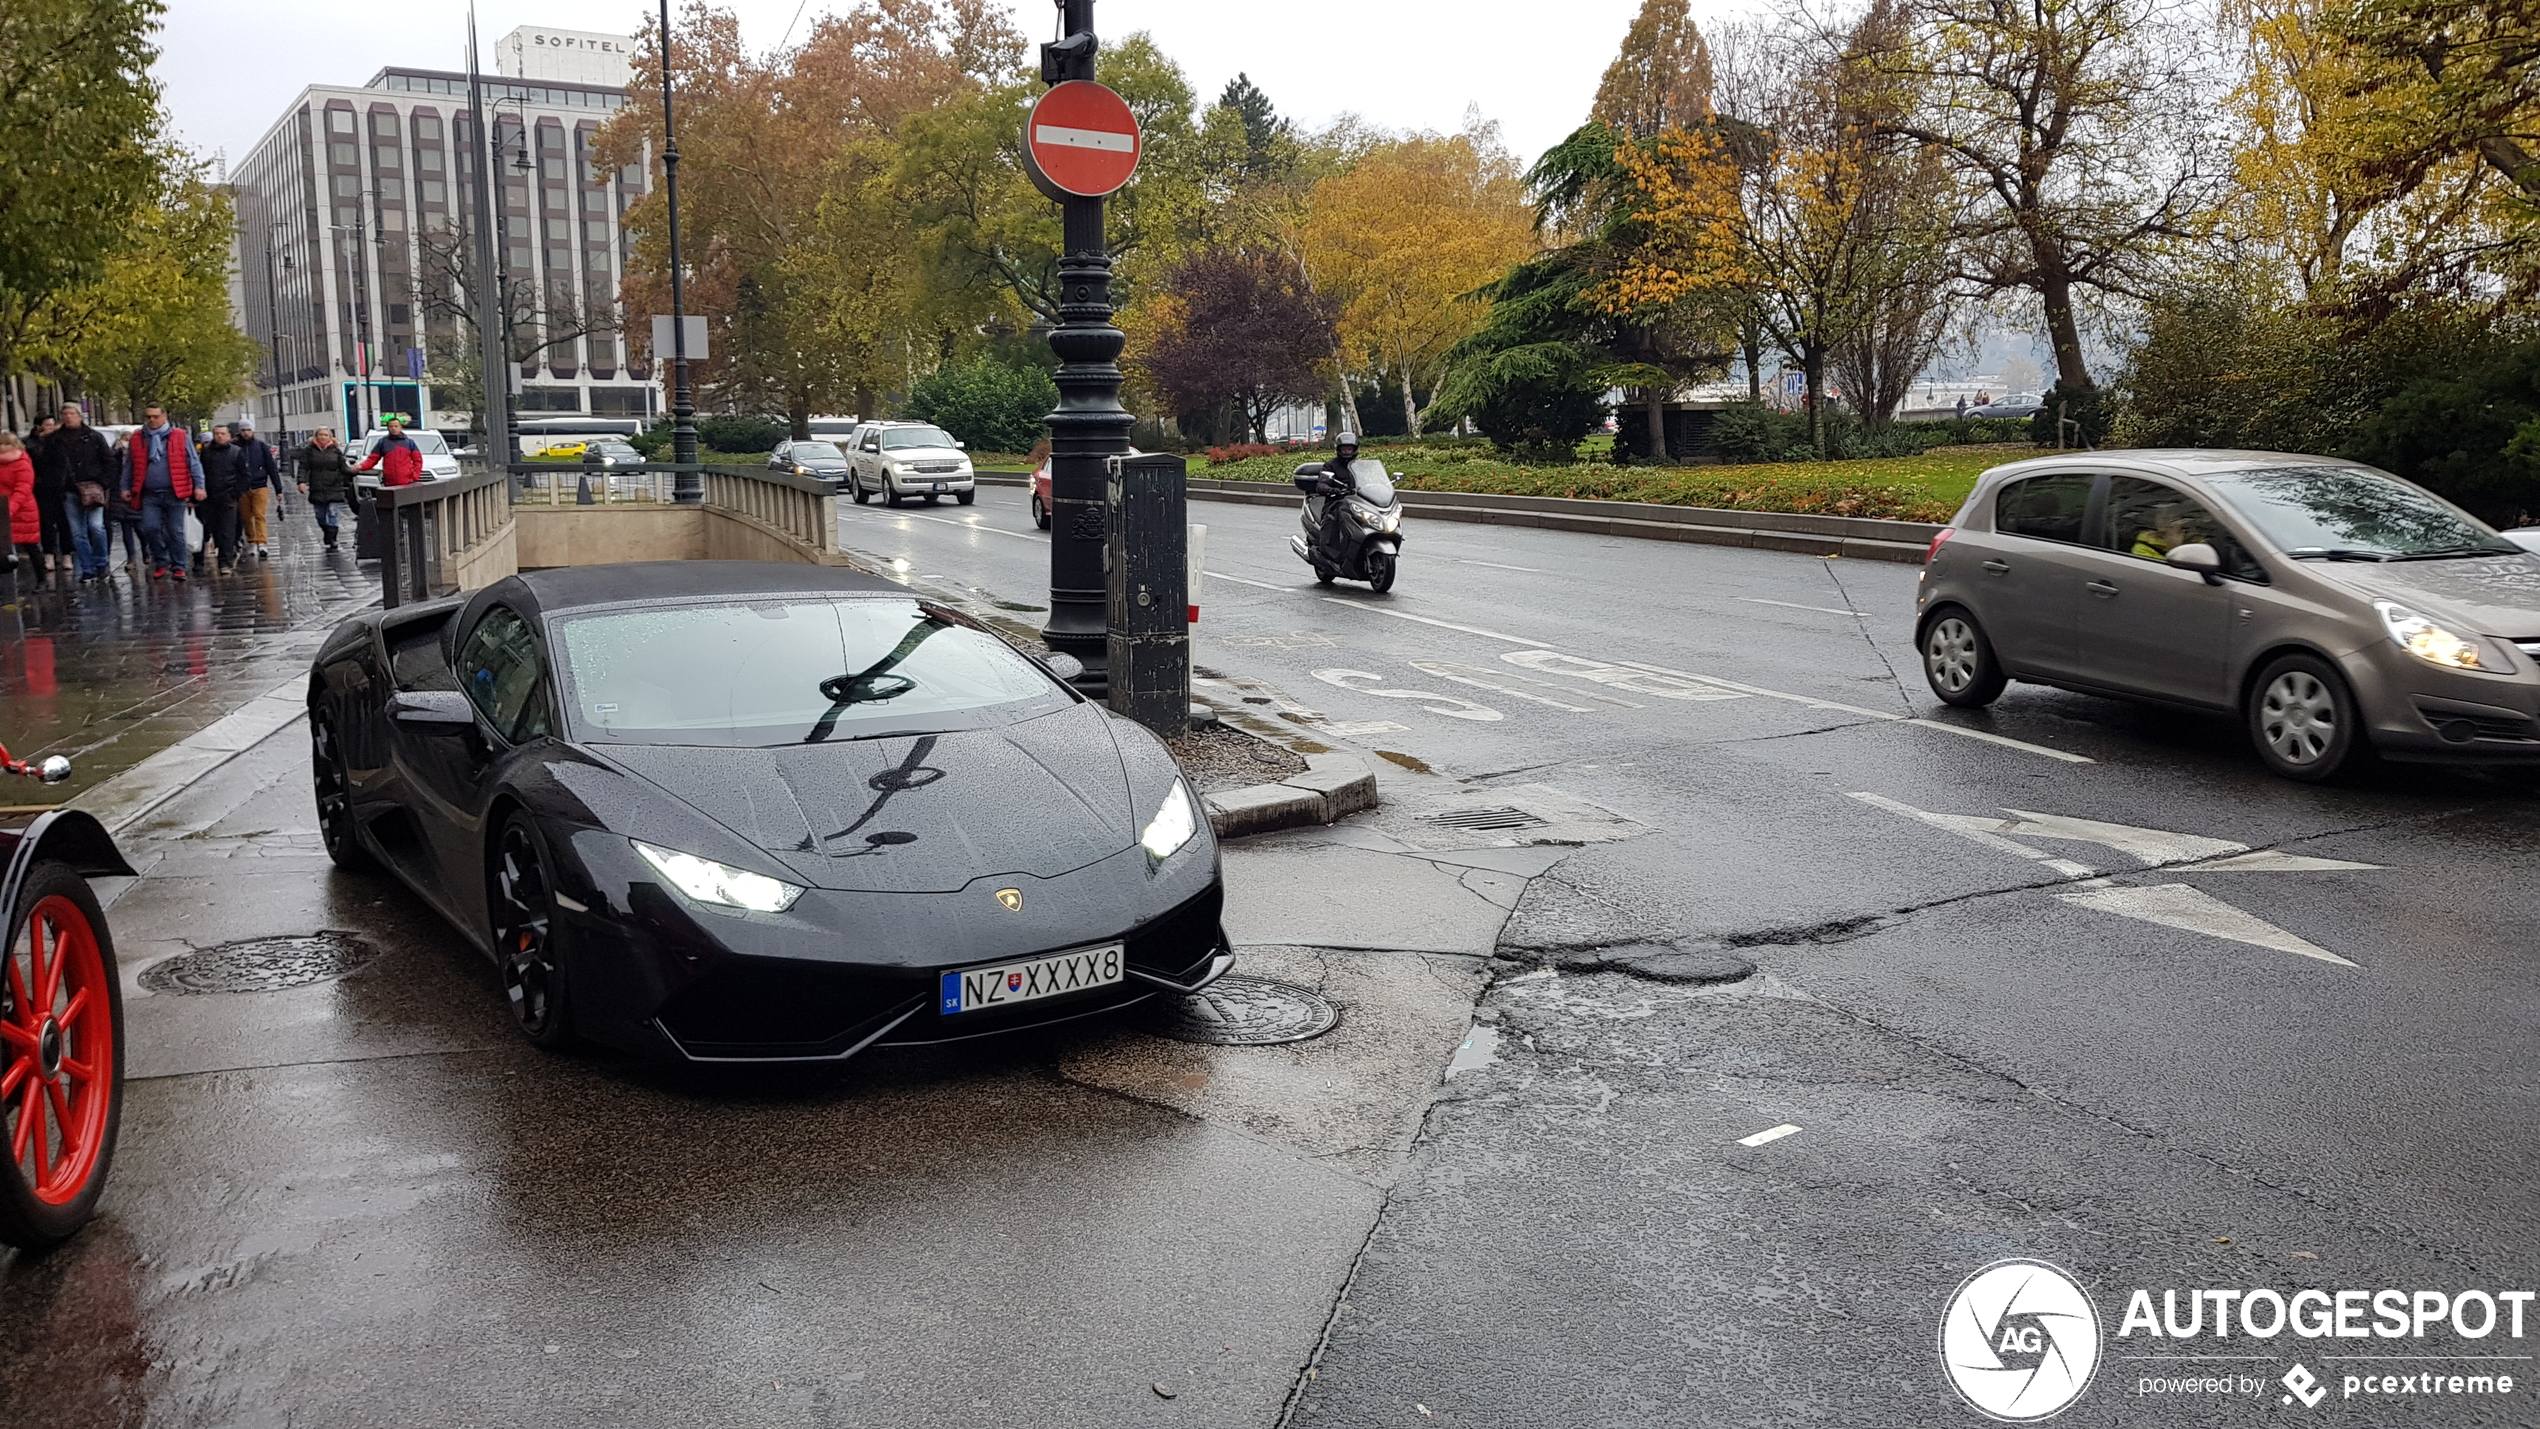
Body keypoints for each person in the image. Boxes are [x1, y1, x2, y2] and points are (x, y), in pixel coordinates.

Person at [125, 405, 203, 581]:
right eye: (148, 417)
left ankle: (179, 566)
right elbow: (130, 464)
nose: (151, 420)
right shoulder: (139, 437)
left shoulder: (180, 436)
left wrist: (199, 486)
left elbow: (194, 462)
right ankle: (161, 561)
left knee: (175, 530)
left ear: (164, 416)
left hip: (174, 492)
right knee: (150, 528)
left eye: (155, 416)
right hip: (149, 494)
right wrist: (125, 487)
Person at [45, 405, 115, 583]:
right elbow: (48, 465)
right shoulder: (55, 440)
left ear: (80, 416)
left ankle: (101, 562)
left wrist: (103, 483)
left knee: (96, 527)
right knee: (78, 532)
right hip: (69, 491)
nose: (68, 417)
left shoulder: (93, 437)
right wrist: (56, 484)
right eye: (65, 414)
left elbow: (108, 461)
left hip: (93, 488)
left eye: (72, 414)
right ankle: (87, 568)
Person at [195, 424, 248, 574]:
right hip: (210, 496)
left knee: (227, 529)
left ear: (229, 436)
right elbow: (201, 472)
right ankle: (218, 554)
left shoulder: (236, 452)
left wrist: (236, 492)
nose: (219, 436)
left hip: (228, 495)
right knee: (212, 528)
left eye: (223, 434)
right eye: (217, 433)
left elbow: (244, 475)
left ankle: (225, 561)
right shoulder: (206, 452)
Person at [25, 414, 69, 577]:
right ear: (38, 427)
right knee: (46, 522)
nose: (51, 428)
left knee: (64, 522)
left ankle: (66, 554)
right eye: (48, 425)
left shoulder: (59, 441)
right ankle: (49, 553)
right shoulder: (30, 443)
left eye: (53, 425)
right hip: (41, 488)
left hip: (60, 488)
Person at [1310, 430, 1364, 565]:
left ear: (1355, 449)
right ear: (1338, 449)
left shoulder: (1360, 466)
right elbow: (1321, 484)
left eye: (1349, 449)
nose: (1347, 452)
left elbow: (1373, 480)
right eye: (1344, 449)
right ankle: (1329, 553)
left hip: (1358, 501)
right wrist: (1331, 489)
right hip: (1336, 501)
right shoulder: (1330, 465)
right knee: (1333, 519)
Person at [298, 428, 353, 550]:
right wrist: (301, 482)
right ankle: (327, 533)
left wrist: (353, 471)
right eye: (320, 435)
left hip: (334, 486)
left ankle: (333, 538)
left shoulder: (336, 451)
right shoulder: (309, 451)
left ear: (330, 437)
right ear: (316, 437)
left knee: (333, 513)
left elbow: (343, 467)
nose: (323, 437)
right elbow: (303, 467)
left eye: (325, 435)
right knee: (320, 515)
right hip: (317, 487)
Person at [234, 417, 280, 558]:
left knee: (259, 514)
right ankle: (252, 541)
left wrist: (278, 489)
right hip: (242, 487)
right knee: (246, 516)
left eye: (249, 430)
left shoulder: (260, 446)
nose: (246, 433)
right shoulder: (234, 447)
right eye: (243, 430)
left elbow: (271, 467)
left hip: (260, 485)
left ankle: (262, 542)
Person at [356, 412, 425, 488]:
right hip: (389, 483)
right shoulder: (382, 443)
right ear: (388, 428)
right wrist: (360, 466)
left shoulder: (410, 443)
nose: (393, 428)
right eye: (391, 426)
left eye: (396, 426)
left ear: (400, 427)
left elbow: (418, 461)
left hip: (407, 483)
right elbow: (372, 459)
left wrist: (414, 476)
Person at [0, 431, 37, 571]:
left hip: (22, 509)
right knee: (6, 549)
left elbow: (23, 488)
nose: (3, 447)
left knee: (30, 546)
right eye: (0, 444)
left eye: (7, 444)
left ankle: (41, 579)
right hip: (4, 509)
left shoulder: (22, 462)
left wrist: (9, 509)